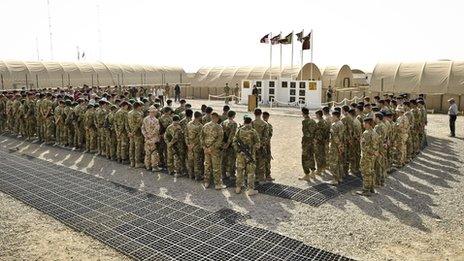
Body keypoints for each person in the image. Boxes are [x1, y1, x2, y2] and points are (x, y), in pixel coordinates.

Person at [233, 115, 260, 196]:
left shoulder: (239, 130)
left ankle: (238, 188)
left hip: (240, 155)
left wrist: (239, 150)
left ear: (244, 122)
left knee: (239, 171)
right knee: (250, 172)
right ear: (251, 122)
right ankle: (251, 189)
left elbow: (234, 141)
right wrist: (252, 149)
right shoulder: (253, 131)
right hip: (250, 156)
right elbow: (258, 144)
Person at [200, 112, 226, 190]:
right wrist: (212, 148)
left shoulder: (205, 126)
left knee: (207, 165)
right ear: (217, 118)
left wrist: (204, 147)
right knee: (216, 166)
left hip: (206, 149)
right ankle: (217, 184)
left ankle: (206, 182)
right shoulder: (219, 127)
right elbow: (220, 139)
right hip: (214, 150)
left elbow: (201, 138)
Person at [356, 117, 378, 196]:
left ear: (368, 124)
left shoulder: (366, 133)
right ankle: (371, 188)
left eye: (364, 123)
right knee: (371, 171)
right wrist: (374, 153)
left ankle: (366, 190)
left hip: (366, 156)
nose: (363, 124)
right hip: (372, 156)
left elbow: (365, 147)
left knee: (365, 173)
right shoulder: (374, 132)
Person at [142, 106, 161, 172]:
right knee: (154, 153)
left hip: (147, 138)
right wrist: (151, 135)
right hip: (153, 139)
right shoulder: (156, 120)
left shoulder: (145, 119)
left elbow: (143, 128)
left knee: (147, 153)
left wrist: (146, 135)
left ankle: (147, 166)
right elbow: (156, 130)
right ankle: (154, 166)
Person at [299, 107, 317, 181]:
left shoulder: (305, 122)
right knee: (311, 156)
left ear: (303, 113)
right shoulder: (313, 121)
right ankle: (313, 172)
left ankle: (307, 174)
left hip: (307, 142)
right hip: (312, 142)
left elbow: (306, 133)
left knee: (304, 157)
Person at [252, 108, 269, 183]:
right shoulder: (265, 124)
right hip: (261, 146)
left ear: (254, 114)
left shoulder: (251, 123)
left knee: (253, 162)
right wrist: (261, 144)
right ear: (261, 114)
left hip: (253, 146)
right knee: (261, 163)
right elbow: (266, 137)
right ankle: (261, 178)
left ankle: (255, 177)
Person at [186, 111, 204, 180]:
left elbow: (186, 135)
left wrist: (188, 144)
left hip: (189, 146)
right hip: (196, 146)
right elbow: (199, 137)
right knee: (197, 161)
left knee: (190, 160)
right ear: (199, 117)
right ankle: (197, 176)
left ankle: (191, 175)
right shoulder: (200, 126)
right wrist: (193, 144)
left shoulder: (188, 124)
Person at [328, 110, 344, 185]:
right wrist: (341, 146)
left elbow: (335, 137)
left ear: (335, 116)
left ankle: (335, 179)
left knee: (333, 162)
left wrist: (338, 145)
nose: (331, 117)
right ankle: (340, 178)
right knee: (339, 162)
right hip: (341, 145)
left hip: (335, 146)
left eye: (332, 116)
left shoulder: (334, 125)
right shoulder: (341, 123)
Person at [126, 101, 144, 168]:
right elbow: (138, 125)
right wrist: (133, 132)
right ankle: (137, 163)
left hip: (131, 133)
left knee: (131, 148)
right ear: (138, 107)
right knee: (137, 148)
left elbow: (126, 123)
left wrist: (129, 132)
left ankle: (132, 162)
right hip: (137, 133)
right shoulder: (138, 114)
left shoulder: (129, 113)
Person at [221, 110, 237, 179]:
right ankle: (231, 175)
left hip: (223, 143)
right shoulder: (233, 123)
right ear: (233, 116)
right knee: (232, 159)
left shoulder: (223, 122)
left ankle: (223, 174)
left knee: (223, 159)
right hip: (230, 145)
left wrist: (223, 143)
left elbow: (221, 133)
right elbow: (232, 135)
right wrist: (228, 143)